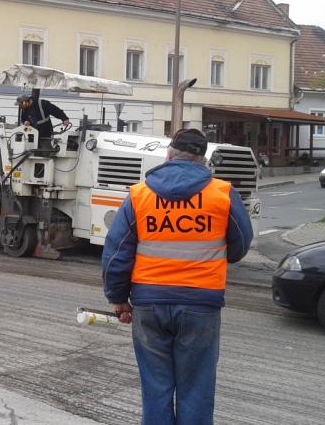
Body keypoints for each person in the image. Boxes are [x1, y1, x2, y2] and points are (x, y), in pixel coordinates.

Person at [101, 128, 253, 425]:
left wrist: (118, 298)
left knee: (156, 389)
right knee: (196, 388)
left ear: (169, 155)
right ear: (203, 160)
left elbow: (117, 252)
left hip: (148, 305)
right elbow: (241, 245)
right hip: (201, 304)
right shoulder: (222, 193)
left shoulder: (139, 195)